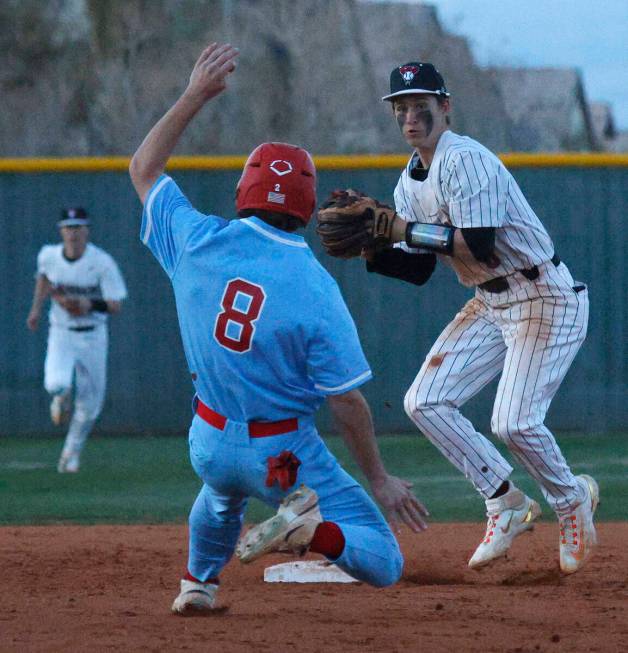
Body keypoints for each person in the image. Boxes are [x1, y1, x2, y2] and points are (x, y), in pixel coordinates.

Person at [129, 42, 428, 615]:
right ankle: (311, 531)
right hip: (281, 457)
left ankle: (198, 583)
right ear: (306, 206)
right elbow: (348, 404)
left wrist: (196, 94)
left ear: (245, 189)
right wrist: (381, 477)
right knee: (386, 561)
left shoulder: (196, 241)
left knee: (219, 492)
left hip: (209, 440)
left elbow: (144, 168)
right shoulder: (315, 286)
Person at [349, 61, 598, 575]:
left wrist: (400, 229)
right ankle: (504, 500)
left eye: (421, 106)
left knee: (513, 422)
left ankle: (571, 499)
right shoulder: (407, 185)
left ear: (445, 107)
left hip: (545, 296)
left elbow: (480, 247)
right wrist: (374, 250)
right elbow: (419, 271)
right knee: (425, 401)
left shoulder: (466, 160)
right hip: (490, 302)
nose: (411, 117)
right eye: (402, 108)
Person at [26, 207, 127, 473]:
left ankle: (70, 453)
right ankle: (61, 397)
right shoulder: (49, 256)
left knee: (91, 405)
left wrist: (87, 303)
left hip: (93, 336)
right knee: (56, 384)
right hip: (61, 332)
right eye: (68, 227)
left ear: (87, 230)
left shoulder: (101, 262)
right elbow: (43, 279)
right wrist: (36, 310)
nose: (73, 232)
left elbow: (116, 304)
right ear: (61, 230)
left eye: (78, 227)